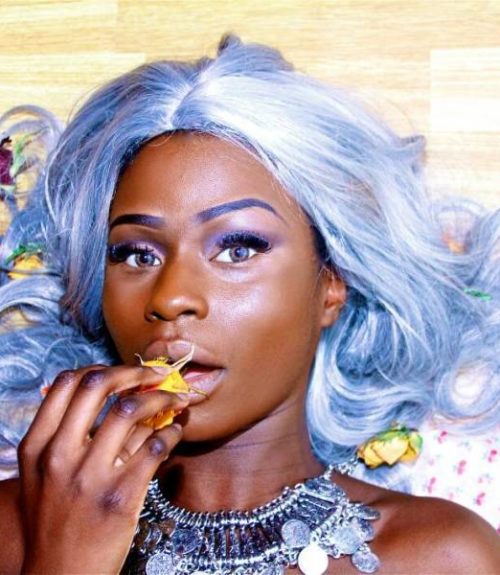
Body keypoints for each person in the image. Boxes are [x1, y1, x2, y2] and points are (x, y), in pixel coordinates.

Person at [0, 35, 498, 575]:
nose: (171, 297)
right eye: (138, 255)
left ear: (331, 284)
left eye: (238, 249)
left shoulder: (442, 556)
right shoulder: (13, 528)